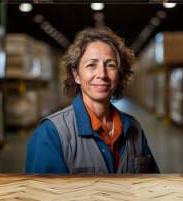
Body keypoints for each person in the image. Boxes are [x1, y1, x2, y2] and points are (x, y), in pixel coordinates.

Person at [25, 27, 159, 174]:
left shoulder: (134, 128)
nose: (102, 74)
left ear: (119, 75)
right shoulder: (51, 134)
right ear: (76, 75)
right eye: (91, 65)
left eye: (110, 65)